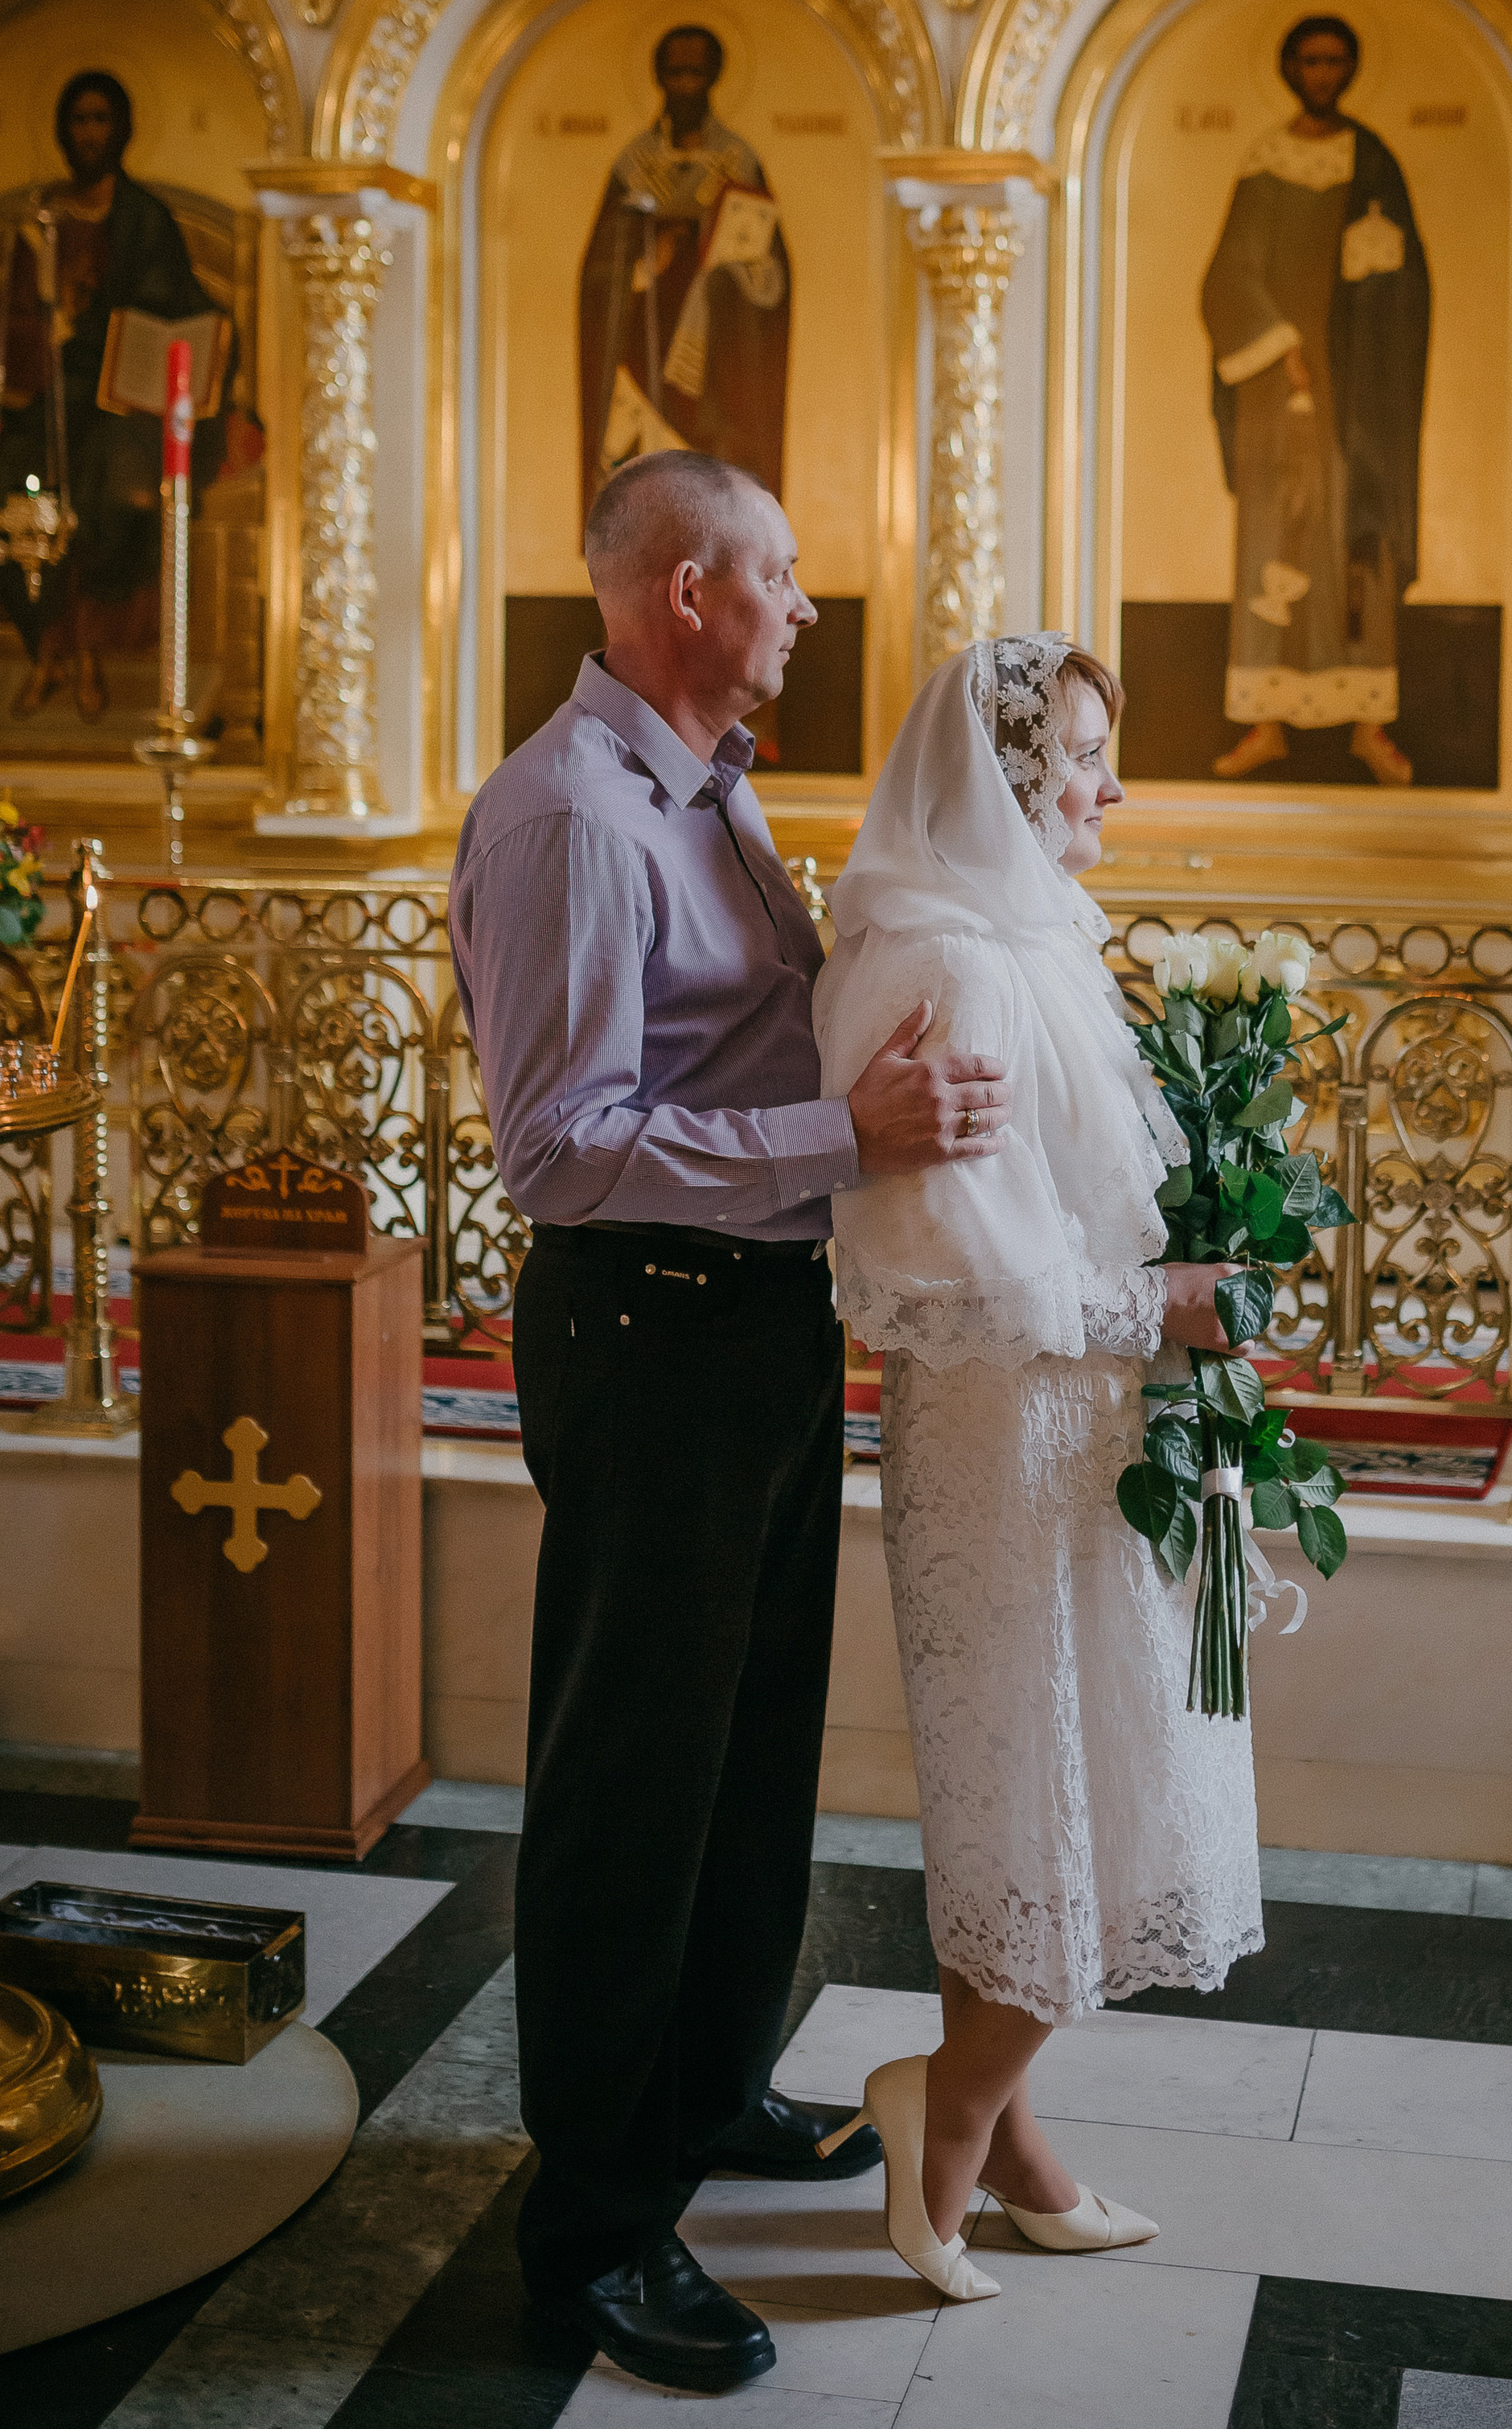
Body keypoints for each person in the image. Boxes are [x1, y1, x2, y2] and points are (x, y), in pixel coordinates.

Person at [450, 448, 1015, 2395]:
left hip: (756, 1311)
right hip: (647, 1321)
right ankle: (594, 2230)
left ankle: (701, 2095)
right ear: (682, 590)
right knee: (632, 1781)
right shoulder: (568, 820)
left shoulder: (710, 792)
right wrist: (834, 1133)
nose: (802, 606)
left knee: (749, 1750)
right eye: (776, 576)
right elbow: (560, 1146)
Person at [811, 633, 1263, 2300]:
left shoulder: (1024, 944)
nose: (1109, 786)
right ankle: (939, 2124)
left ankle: (1012, 2146)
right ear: (1001, 777)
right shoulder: (948, 962)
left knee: (1064, 1794)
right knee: (1049, 1802)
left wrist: (1177, 1279)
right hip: (1006, 1433)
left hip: (1078, 1422)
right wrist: (1165, 1304)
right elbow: (951, 1274)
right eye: (1078, 753)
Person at [1200, 13, 1431, 789]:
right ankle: (1266, 724)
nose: (1322, 75)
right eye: (1309, 61)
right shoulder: (1267, 157)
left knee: (1354, 536)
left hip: (1357, 397)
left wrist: (1373, 298)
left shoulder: (1373, 160)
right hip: (1279, 389)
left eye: (1336, 62)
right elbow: (1229, 272)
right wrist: (1281, 345)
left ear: (1352, 68)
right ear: (1289, 68)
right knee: (1275, 535)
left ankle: (1370, 723)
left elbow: (1407, 282)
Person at [0, 69, 224, 721]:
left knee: (111, 491)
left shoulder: (145, 220)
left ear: (121, 128)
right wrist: (49, 322)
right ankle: (46, 650)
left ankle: (90, 652)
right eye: (79, 120)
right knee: (18, 489)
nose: (90, 133)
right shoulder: (39, 219)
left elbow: (174, 304)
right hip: (46, 395)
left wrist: (95, 319)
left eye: (101, 119)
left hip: (123, 398)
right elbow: (16, 318)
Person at [577, 24, 790, 519]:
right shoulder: (634, 164)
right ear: (659, 79)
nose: (685, 85)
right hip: (642, 341)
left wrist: (727, 267)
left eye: (696, 72)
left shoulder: (738, 161)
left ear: (714, 78)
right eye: (675, 73)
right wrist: (639, 266)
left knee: (712, 478)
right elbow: (597, 273)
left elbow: (773, 280)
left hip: (717, 353)